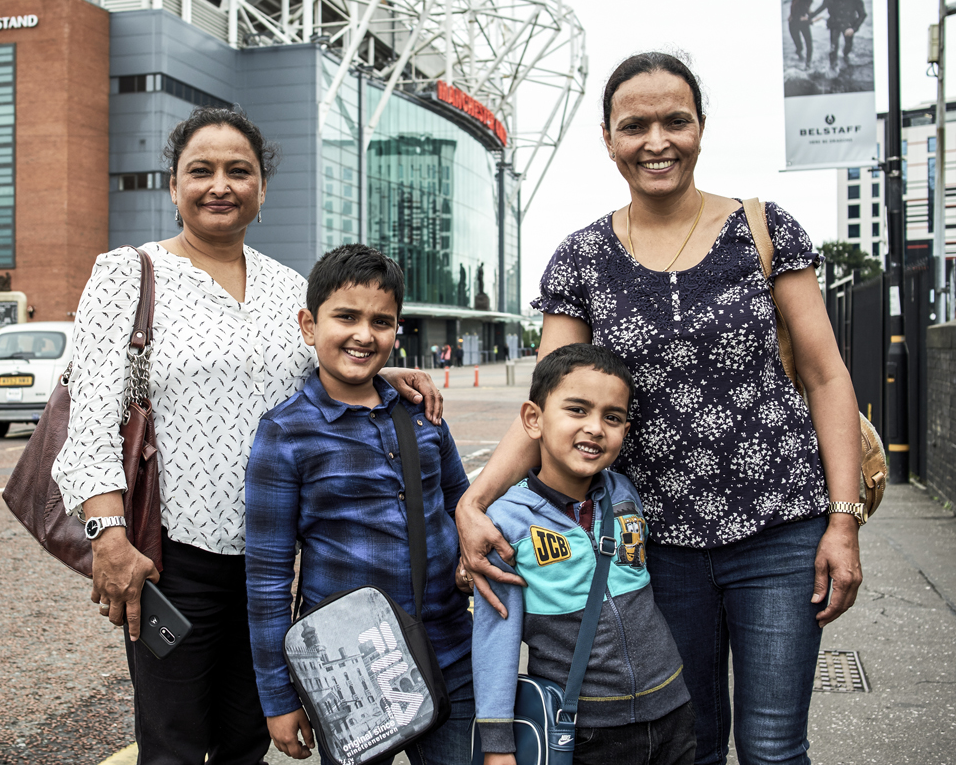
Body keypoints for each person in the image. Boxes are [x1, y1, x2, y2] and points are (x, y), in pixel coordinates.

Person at [456, 53, 863, 765]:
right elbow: (549, 407)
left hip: (780, 530)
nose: (657, 141)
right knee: (690, 746)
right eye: (634, 125)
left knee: (772, 747)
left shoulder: (765, 231)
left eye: (675, 120)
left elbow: (828, 378)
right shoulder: (580, 259)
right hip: (650, 545)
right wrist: (475, 503)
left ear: (701, 127)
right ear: (608, 138)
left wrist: (843, 521)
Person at [52, 107, 443, 765]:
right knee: (173, 744)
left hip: (271, 564)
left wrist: (383, 369)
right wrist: (108, 539)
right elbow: (89, 419)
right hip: (173, 560)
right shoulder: (129, 274)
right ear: (173, 186)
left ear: (262, 190)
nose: (220, 185)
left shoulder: (287, 288)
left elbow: (318, 377)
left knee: (245, 741)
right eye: (199, 171)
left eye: (240, 171)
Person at [245, 244, 475, 764]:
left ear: (398, 329)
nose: (364, 335)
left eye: (382, 321)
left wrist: (471, 557)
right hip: (347, 670)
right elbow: (266, 580)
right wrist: (278, 698)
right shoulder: (285, 434)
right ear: (309, 324)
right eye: (345, 316)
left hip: (450, 649)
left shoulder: (421, 414)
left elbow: (462, 503)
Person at [473, 344, 693, 765]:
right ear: (533, 420)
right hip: (583, 727)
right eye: (577, 410)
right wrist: (497, 744)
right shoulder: (505, 523)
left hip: (671, 709)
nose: (595, 428)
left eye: (613, 417)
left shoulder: (624, 493)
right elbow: (494, 636)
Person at [810, 0, 866, 68]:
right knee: (833, 47)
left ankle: (846, 58)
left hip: (849, 25)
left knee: (848, 46)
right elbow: (821, 8)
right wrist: (809, 17)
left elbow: (863, 15)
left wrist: (854, 29)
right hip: (834, 24)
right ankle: (833, 67)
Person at [788, 0, 814, 68]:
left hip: (802, 22)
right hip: (794, 24)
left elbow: (806, 8)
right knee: (800, 47)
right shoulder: (796, 1)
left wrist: (808, 13)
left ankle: (808, 64)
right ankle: (800, 57)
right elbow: (794, 16)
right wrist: (810, 20)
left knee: (809, 43)